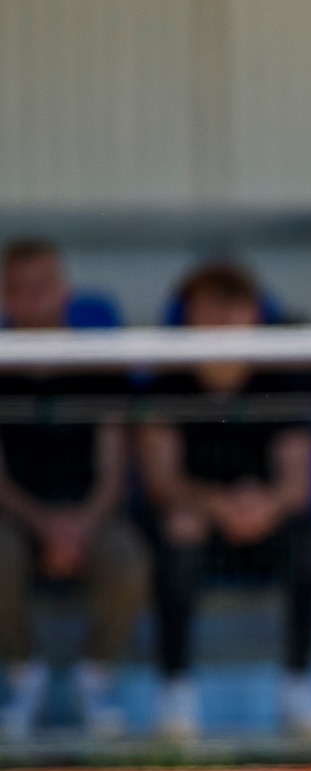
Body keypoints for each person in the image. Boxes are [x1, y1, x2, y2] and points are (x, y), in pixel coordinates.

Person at [139, 262, 311, 741]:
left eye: (234, 307)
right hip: (199, 524)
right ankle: (176, 691)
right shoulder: (167, 385)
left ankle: (297, 687)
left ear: (254, 316)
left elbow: (298, 482)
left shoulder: (281, 383)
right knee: (179, 529)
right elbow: (160, 479)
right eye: (211, 308)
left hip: (262, 523)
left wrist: (264, 506)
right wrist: (218, 503)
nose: (223, 320)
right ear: (188, 316)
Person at [0, 239, 149, 740]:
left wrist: (82, 524)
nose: (32, 297)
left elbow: (113, 465)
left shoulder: (96, 363)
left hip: (92, 512)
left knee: (127, 557)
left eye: (42, 285)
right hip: (18, 516)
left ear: (64, 291)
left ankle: (93, 678)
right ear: (4, 297)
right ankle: (25, 677)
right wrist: (44, 524)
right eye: (19, 288)